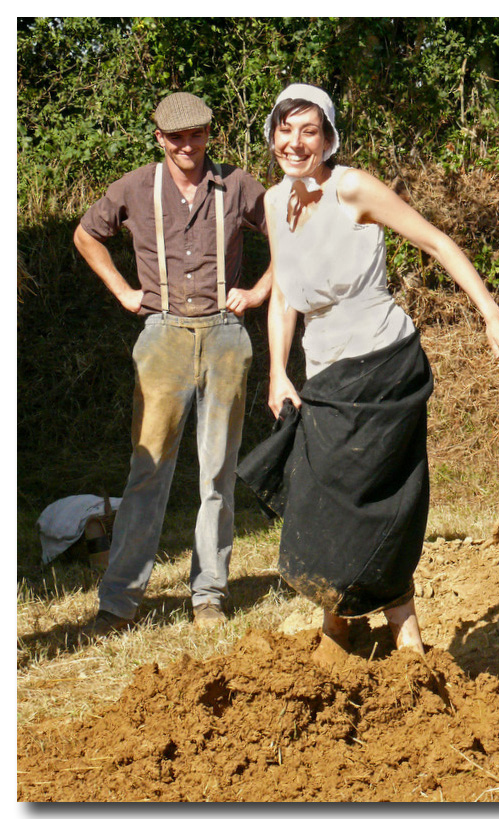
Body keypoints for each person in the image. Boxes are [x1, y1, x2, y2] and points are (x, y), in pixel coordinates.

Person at [237, 83, 499, 655]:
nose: (295, 143)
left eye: (308, 131)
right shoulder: (272, 203)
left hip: (384, 364)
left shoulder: (353, 188)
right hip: (326, 374)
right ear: (271, 136)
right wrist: (278, 373)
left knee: (375, 495)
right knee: (324, 496)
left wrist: (491, 312)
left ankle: (395, 636)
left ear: (328, 138)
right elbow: (285, 295)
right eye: (285, 130)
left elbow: (436, 241)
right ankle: (345, 621)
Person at [74, 91, 273, 636]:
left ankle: (209, 595)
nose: (188, 145)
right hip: (161, 337)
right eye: (176, 137)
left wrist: (257, 291)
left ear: (211, 134)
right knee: (147, 474)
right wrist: (121, 289)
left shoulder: (237, 184)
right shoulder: (135, 186)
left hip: (226, 336)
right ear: (159, 138)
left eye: (197, 135)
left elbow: (289, 230)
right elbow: (86, 234)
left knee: (217, 476)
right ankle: (118, 604)